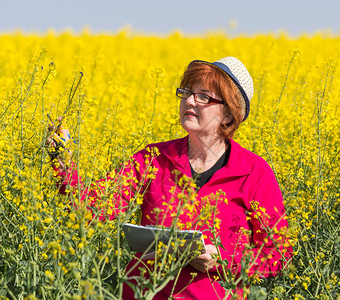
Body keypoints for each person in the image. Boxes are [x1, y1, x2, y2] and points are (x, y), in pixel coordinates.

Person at [48, 57, 292, 299]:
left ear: (229, 114)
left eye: (203, 97)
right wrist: (62, 162)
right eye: (187, 92)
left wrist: (222, 260)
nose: (189, 100)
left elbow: (279, 253)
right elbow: (95, 206)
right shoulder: (153, 158)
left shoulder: (253, 172)